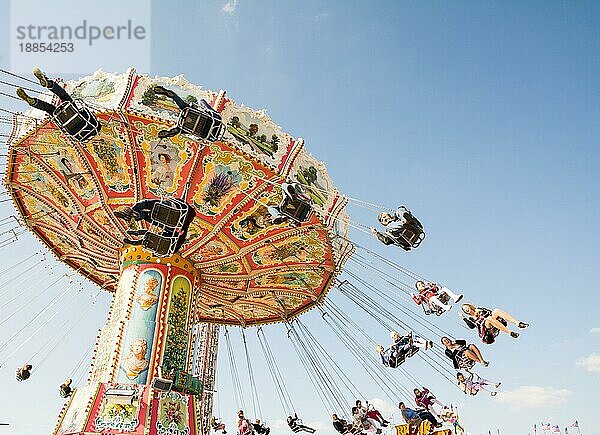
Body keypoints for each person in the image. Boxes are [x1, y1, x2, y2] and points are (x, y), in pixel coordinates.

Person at [114, 198, 196, 252]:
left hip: (174, 212)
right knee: (153, 218)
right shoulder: (177, 234)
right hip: (174, 214)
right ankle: (134, 215)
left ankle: (133, 212)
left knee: (152, 213)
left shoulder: (176, 232)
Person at [152, 86, 222, 140]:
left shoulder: (218, 119)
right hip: (208, 130)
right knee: (184, 126)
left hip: (207, 127)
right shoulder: (214, 138)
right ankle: (175, 130)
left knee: (188, 109)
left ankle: (173, 96)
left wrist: (202, 106)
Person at [461, 304, 529, 343]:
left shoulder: (479, 309)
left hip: (494, 322)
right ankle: (510, 332)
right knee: (488, 319)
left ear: (469, 306)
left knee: (496, 311)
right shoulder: (471, 318)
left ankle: (518, 323)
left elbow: (490, 313)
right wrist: (464, 318)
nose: (466, 309)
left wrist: (481, 311)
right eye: (464, 309)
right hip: (487, 331)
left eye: (466, 307)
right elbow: (472, 327)